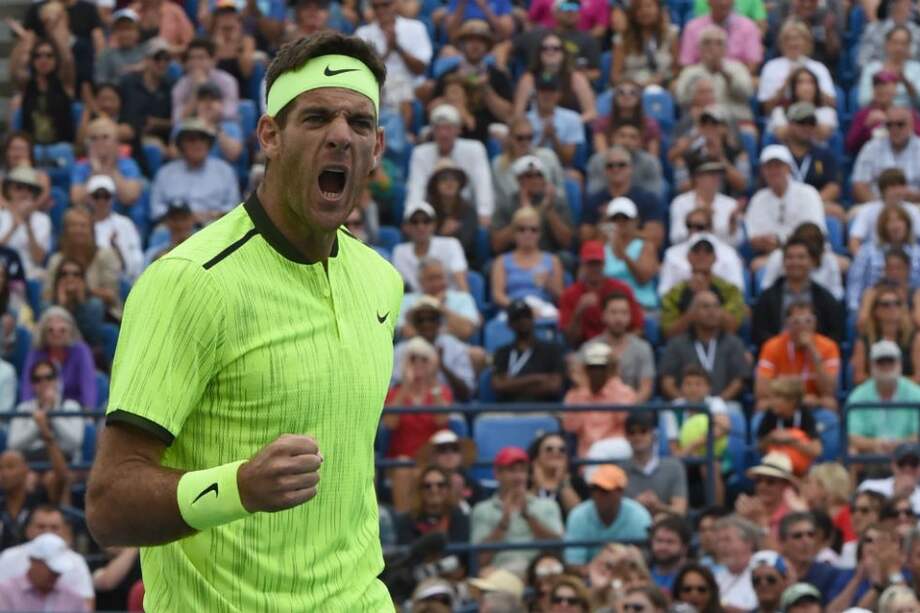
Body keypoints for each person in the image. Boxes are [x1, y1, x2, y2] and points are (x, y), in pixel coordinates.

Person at [85, 32, 406, 611]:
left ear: (377, 146)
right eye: (315, 117)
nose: (340, 135)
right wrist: (236, 489)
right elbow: (109, 505)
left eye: (359, 123)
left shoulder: (381, 281)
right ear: (270, 136)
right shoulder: (189, 282)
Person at [470, 446, 564, 574]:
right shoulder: (482, 510)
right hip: (499, 572)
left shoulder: (548, 506)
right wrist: (503, 523)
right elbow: (480, 560)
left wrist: (530, 518)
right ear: (497, 474)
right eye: (512, 471)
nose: (518, 477)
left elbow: (557, 549)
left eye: (522, 471)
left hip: (538, 570)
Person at [407, 104, 494, 226]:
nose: (444, 134)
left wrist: (484, 212)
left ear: (458, 130)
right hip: (433, 211)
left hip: (465, 211)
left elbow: (482, 184)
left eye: (448, 128)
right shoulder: (420, 153)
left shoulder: (475, 149)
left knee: (482, 233)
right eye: (439, 128)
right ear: (432, 130)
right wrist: (411, 216)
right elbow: (416, 187)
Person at [427, 20, 513, 144]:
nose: (475, 45)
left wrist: (486, 90)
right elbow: (431, 111)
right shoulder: (448, 75)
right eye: (470, 40)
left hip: (488, 134)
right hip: (454, 134)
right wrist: (452, 98)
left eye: (480, 41)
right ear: (462, 45)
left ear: (487, 46)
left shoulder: (498, 76)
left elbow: (508, 115)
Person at [752, 239, 845, 348]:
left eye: (801, 257)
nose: (795, 262)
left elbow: (835, 334)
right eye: (790, 257)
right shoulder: (767, 297)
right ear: (783, 262)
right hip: (779, 357)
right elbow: (759, 333)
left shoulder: (825, 298)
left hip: (815, 357)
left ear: (811, 261)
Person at [659, 290, 749, 402]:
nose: (712, 311)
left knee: (734, 413)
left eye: (716, 306)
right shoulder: (676, 344)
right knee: (667, 417)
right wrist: (683, 402)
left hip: (724, 405)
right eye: (705, 307)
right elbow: (667, 382)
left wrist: (717, 403)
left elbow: (739, 381)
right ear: (693, 313)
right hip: (685, 405)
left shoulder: (734, 343)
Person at [744, 145, 827, 265]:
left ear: (788, 168)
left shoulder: (808, 193)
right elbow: (753, 237)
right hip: (772, 256)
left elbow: (813, 234)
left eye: (778, 166)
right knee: (758, 265)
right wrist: (762, 242)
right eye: (769, 167)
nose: (773, 171)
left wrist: (779, 241)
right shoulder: (758, 199)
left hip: (810, 255)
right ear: (763, 171)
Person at [0, 505, 95, 609]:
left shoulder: (77, 561)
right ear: (28, 530)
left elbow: (87, 605)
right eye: (41, 527)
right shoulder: (9, 557)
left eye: (54, 528)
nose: (47, 532)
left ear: (65, 531)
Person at [150, 118, 240, 223]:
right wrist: (183, 216)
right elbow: (156, 209)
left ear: (209, 144)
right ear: (181, 145)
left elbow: (234, 207)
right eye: (191, 140)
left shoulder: (224, 171)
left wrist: (213, 214)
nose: (197, 144)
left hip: (214, 225)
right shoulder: (165, 173)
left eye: (202, 139)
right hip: (175, 227)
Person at [563, 465, 652, 570]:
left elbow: (645, 562)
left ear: (620, 492)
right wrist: (600, 575)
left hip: (630, 577)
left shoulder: (639, 516)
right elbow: (574, 564)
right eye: (594, 489)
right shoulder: (578, 515)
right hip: (588, 580)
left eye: (605, 491)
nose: (597, 495)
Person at [756, 301, 841, 410]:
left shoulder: (829, 346)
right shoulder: (771, 346)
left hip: (814, 403)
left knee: (830, 403)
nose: (802, 327)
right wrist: (794, 398)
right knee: (762, 405)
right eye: (796, 322)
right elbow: (762, 391)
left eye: (808, 321)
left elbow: (829, 390)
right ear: (787, 324)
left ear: (815, 323)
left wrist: (813, 351)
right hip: (781, 402)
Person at [660, 233, 747, 338]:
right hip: (685, 345)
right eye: (696, 251)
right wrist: (693, 309)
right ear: (688, 257)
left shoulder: (730, 290)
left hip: (721, 343)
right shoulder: (674, 293)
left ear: (715, 257)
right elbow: (669, 334)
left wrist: (706, 294)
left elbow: (732, 328)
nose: (702, 255)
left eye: (708, 251)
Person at [559, 241, 643, 347]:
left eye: (597, 263)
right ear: (582, 265)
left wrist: (622, 346)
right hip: (586, 349)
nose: (594, 268)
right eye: (590, 264)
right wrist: (579, 311)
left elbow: (638, 328)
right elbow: (570, 339)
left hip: (621, 347)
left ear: (604, 264)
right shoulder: (570, 294)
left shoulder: (622, 289)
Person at [45, 207, 123, 321]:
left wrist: (85, 291)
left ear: (91, 230)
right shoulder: (56, 260)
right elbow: (46, 294)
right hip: (62, 314)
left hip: (101, 317)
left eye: (83, 226)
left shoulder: (105, 255)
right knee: (46, 307)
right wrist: (61, 294)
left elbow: (112, 296)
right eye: (73, 225)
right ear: (65, 231)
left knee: (94, 305)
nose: (78, 230)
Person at [562, 343, 636, 458]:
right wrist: (582, 390)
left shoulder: (624, 391)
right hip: (587, 455)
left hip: (617, 453)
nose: (597, 372)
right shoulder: (574, 395)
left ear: (609, 370)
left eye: (602, 368)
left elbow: (623, 418)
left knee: (600, 451)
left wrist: (614, 378)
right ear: (585, 370)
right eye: (592, 368)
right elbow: (571, 427)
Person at [393, 297, 475, 402]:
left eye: (431, 319)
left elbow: (466, 394)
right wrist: (412, 371)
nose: (426, 324)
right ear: (414, 324)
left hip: (448, 408)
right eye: (420, 320)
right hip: (408, 408)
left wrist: (441, 366)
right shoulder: (401, 350)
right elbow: (392, 392)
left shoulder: (455, 347)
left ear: (439, 322)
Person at [490, 156, 574, 257]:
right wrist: (522, 216)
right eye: (529, 176)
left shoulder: (556, 202)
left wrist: (549, 211)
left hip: (548, 256)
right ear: (519, 179)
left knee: (566, 258)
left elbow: (567, 242)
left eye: (539, 175)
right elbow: (496, 245)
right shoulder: (506, 204)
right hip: (514, 257)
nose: (535, 180)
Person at [581, 145, 663, 247]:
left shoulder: (647, 199)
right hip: (604, 252)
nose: (616, 169)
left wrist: (626, 231)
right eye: (610, 166)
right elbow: (585, 240)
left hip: (638, 254)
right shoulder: (594, 201)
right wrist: (603, 220)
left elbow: (655, 239)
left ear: (631, 168)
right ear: (605, 171)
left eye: (621, 165)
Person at [673, 26, 755, 128]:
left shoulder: (737, 68)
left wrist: (724, 73)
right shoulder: (690, 72)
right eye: (707, 43)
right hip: (701, 122)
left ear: (726, 48)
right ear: (699, 47)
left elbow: (747, 93)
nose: (713, 47)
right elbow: (681, 98)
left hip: (735, 120)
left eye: (719, 43)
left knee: (748, 133)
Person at [848, 340, 920, 455]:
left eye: (890, 361)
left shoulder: (916, 393)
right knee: (851, 452)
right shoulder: (858, 396)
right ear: (871, 365)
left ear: (899, 364)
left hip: (909, 455)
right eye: (881, 362)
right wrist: (875, 444)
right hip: (870, 453)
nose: (886, 366)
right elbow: (853, 436)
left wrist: (899, 444)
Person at [582, 291, 656, 402]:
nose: (618, 318)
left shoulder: (643, 348)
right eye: (613, 312)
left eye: (624, 313)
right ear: (603, 315)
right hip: (597, 407)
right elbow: (582, 385)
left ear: (630, 316)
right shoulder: (590, 348)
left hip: (631, 409)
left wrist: (626, 410)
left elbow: (646, 388)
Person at [512, 31, 597, 123]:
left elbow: (591, 113)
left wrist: (569, 124)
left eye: (556, 48)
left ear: (564, 53)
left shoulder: (576, 78)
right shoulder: (528, 78)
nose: (550, 52)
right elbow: (518, 114)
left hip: (570, 132)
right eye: (545, 48)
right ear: (539, 53)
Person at [491, 207, 565, 312]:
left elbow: (562, 297)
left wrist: (549, 284)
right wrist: (522, 308)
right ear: (514, 233)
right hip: (514, 311)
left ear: (540, 234)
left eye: (533, 230)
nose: (528, 234)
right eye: (522, 229)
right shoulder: (501, 262)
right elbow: (498, 296)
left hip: (543, 310)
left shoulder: (553, 261)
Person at [7, 360, 84, 461]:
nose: (44, 383)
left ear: (57, 380)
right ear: (32, 384)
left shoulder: (71, 406)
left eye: (49, 377)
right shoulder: (23, 408)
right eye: (37, 379)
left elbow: (75, 443)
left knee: (50, 476)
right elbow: (13, 444)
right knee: (31, 476)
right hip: (31, 463)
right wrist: (37, 425)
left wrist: (52, 412)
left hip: (65, 461)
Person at [776, 102, 841, 220]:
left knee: (835, 213)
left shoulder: (825, 154)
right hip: (782, 205)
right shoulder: (777, 154)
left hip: (817, 204)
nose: (807, 127)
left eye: (811, 123)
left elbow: (833, 187)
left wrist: (809, 203)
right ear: (790, 124)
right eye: (801, 122)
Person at [21, 307, 96, 410]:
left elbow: (88, 387)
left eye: (62, 330)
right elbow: (27, 388)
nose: (56, 334)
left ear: (70, 331)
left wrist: (88, 415)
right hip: (40, 411)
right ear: (44, 333)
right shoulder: (35, 353)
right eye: (51, 330)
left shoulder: (81, 351)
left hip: (74, 413)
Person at [492, 299, 565, 403]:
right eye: (517, 318)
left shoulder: (551, 350)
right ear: (509, 324)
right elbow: (498, 386)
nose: (523, 320)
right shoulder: (502, 352)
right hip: (508, 410)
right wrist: (536, 378)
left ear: (533, 319)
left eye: (527, 316)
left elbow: (554, 386)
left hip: (542, 409)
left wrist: (510, 385)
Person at [757, 20, 836, 114]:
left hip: (816, 118)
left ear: (807, 42)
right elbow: (767, 109)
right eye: (788, 39)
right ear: (781, 43)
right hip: (781, 121)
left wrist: (811, 87)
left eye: (798, 38)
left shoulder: (819, 68)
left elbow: (832, 104)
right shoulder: (771, 67)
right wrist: (788, 81)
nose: (793, 43)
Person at [492, 117, 567, 214]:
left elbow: (561, 192)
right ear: (510, 138)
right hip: (514, 213)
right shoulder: (499, 164)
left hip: (550, 209)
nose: (525, 142)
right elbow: (510, 196)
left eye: (529, 137)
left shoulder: (548, 156)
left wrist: (551, 195)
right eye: (520, 138)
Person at [658, 217, 746, 299]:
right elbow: (663, 294)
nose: (701, 256)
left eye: (700, 227)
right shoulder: (672, 254)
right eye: (690, 226)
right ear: (689, 256)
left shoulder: (729, 253)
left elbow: (738, 292)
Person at [596, 197, 660, 311]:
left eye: (625, 219)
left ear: (635, 221)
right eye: (615, 219)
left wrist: (625, 256)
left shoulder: (645, 246)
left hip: (640, 303)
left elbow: (643, 278)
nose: (620, 223)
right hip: (608, 306)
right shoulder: (602, 246)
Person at [12, 36, 76, 146]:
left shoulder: (64, 83)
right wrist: (23, 42)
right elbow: (15, 71)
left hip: (61, 146)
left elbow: (68, 60)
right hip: (31, 147)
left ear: (56, 59)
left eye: (49, 55)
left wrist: (52, 30)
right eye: (38, 56)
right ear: (33, 60)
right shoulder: (27, 85)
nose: (43, 59)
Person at [622, 412, 689, 517]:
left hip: (666, 527)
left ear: (653, 434)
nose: (637, 436)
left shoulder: (674, 467)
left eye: (643, 431)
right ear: (626, 437)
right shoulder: (618, 471)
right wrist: (636, 504)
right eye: (632, 432)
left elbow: (680, 511)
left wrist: (658, 506)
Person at [70, 116, 145, 210]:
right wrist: (96, 170)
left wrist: (111, 169)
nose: (99, 142)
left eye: (105, 137)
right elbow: (76, 200)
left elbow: (130, 197)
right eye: (94, 138)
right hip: (91, 216)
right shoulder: (81, 167)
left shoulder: (128, 164)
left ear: (117, 142)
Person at [398, 258, 480, 342]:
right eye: (431, 279)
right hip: (415, 349)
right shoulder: (406, 300)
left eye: (440, 277)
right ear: (420, 281)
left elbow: (466, 331)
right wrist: (427, 305)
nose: (437, 283)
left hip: (453, 350)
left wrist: (438, 306)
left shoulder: (463, 298)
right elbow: (407, 332)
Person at [394, 202, 469, 293]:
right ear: (406, 227)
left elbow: (461, 282)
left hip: (450, 301)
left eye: (426, 221)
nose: (420, 226)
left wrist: (465, 301)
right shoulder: (399, 252)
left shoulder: (451, 244)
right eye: (414, 222)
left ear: (434, 225)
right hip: (417, 303)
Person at [0, 533, 88, 612]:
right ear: (34, 561)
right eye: (51, 569)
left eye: (59, 571)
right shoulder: (5, 593)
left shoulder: (74, 598)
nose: (56, 574)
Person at [852, 287, 920, 384]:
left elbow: (918, 377)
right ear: (876, 310)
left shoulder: (915, 339)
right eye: (886, 304)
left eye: (897, 303)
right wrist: (886, 383)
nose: (892, 308)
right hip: (874, 395)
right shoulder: (863, 341)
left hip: (907, 396)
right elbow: (858, 377)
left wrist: (892, 383)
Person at [755, 378, 822, 475]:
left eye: (777, 397)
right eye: (771, 397)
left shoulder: (804, 415)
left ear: (792, 400)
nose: (772, 401)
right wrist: (771, 438)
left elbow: (817, 450)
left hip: (801, 470)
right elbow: (759, 447)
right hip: (775, 469)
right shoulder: (770, 414)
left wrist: (791, 440)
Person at [854, 106, 920, 204]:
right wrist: (879, 206)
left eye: (900, 124)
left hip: (915, 204)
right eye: (889, 124)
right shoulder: (871, 147)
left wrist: (910, 195)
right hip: (877, 204)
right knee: (853, 215)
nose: (894, 128)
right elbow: (859, 185)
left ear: (911, 125)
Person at [669, 156, 741, 247]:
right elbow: (676, 238)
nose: (716, 178)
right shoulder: (680, 203)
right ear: (697, 177)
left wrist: (732, 229)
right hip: (687, 255)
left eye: (718, 173)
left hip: (722, 257)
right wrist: (699, 224)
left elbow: (737, 243)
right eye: (711, 174)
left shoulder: (731, 204)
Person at [85, 174, 144, 282]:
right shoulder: (83, 223)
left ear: (113, 198)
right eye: (97, 196)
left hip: (119, 279)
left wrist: (116, 248)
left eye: (106, 196)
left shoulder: (125, 224)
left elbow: (136, 261)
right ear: (89, 199)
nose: (101, 201)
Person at [118, 37, 174, 150]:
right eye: (157, 58)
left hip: (161, 141)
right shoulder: (128, 83)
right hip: (128, 138)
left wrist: (158, 123)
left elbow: (177, 120)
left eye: (166, 59)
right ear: (147, 60)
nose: (162, 63)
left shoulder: (171, 86)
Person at [847, 70, 920, 155]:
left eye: (885, 84)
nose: (880, 89)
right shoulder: (864, 114)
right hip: (874, 161)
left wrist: (894, 122)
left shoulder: (906, 113)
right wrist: (866, 126)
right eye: (876, 85)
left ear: (895, 89)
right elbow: (850, 146)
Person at [779, 512, 847, 603]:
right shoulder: (772, 577)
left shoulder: (830, 575)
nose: (806, 541)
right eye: (798, 536)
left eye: (810, 535)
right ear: (783, 542)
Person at [679, 0, 763, 74]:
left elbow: (752, 64)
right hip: (701, 83)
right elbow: (687, 64)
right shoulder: (692, 27)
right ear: (708, 1)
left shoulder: (748, 27)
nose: (723, 2)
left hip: (735, 81)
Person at [849, 169, 920, 254]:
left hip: (907, 258)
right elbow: (854, 241)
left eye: (901, 185)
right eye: (893, 186)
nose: (898, 190)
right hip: (875, 256)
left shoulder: (913, 210)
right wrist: (863, 260)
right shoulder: (867, 210)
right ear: (883, 189)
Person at [610, 0, 679, 87]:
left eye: (649, 6)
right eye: (639, 8)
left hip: (664, 84)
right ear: (633, 13)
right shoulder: (622, 39)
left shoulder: (671, 34)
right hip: (632, 89)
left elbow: (676, 69)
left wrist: (662, 79)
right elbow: (615, 76)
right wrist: (638, 84)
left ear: (658, 9)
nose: (645, 11)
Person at [395, 466, 470, 546]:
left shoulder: (459, 517)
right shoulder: (407, 520)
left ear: (448, 489)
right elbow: (406, 551)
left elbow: (459, 552)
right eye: (427, 486)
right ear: (420, 491)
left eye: (440, 485)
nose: (434, 490)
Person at [0, 166, 52, 279]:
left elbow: (39, 259)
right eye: (19, 187)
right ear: (8, 190)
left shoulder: (43, 220)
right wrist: (13, 227)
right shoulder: (1, 215)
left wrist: (28, 225)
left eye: (30, 188)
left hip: (30, 275)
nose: (24, 192)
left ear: (34, 193)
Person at [424, 159, 479, 266]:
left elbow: (467, 242)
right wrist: (441, 233)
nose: (449, 183)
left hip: (463, 260)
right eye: (444, 179)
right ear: (435, 184)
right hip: (430, 261)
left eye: (454, 179)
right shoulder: (427, 209)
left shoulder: (468, 209)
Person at [592, 79, 662, 158]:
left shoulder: (650, 125)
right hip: (611, 165)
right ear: (614, 97)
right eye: (621, 92)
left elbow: (652, 159)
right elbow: (601, 156)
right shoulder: (602, 123)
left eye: (632, 93)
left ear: (639, 98)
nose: (626, 96)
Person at [858, 25, 920, 111]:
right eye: (895, 42)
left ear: (909, 47)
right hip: (877, 114)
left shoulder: (917, 68)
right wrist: (883, 89)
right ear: (886, 44)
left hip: (908, 116)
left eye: (904, 43)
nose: (899, 48)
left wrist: (906, 82)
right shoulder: (871, 68)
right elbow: (863, 102)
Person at [527, 433, 586, 520]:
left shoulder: (576, 481)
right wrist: (537, 486)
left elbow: (580, 518)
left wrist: (563, 482)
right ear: (537, 455)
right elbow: (522, 510)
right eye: (549, 449)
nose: (556, 452)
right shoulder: (526, 479)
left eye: (562, 450)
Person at [769, 72, 839, 143]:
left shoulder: (827, 111)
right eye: (800, 82)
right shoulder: (780, 111)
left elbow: (824, 133)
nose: (806, 87)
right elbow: (781, 134)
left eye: (811, 82)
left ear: (817, 87)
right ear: (793, 87)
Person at [712, 516, 760, 610]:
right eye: (718, 541)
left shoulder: (762, 575)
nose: (722, 546)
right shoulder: (716, 578)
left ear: (749, 543)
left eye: (727, 540)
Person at [95, 9, 146, 85]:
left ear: (138, 32)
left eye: (129, 29)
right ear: (115, 32)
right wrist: (129, 72)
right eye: (121, 29)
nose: (125, 34)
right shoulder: (106, 55)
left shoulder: (146, 53)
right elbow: (101, 83)